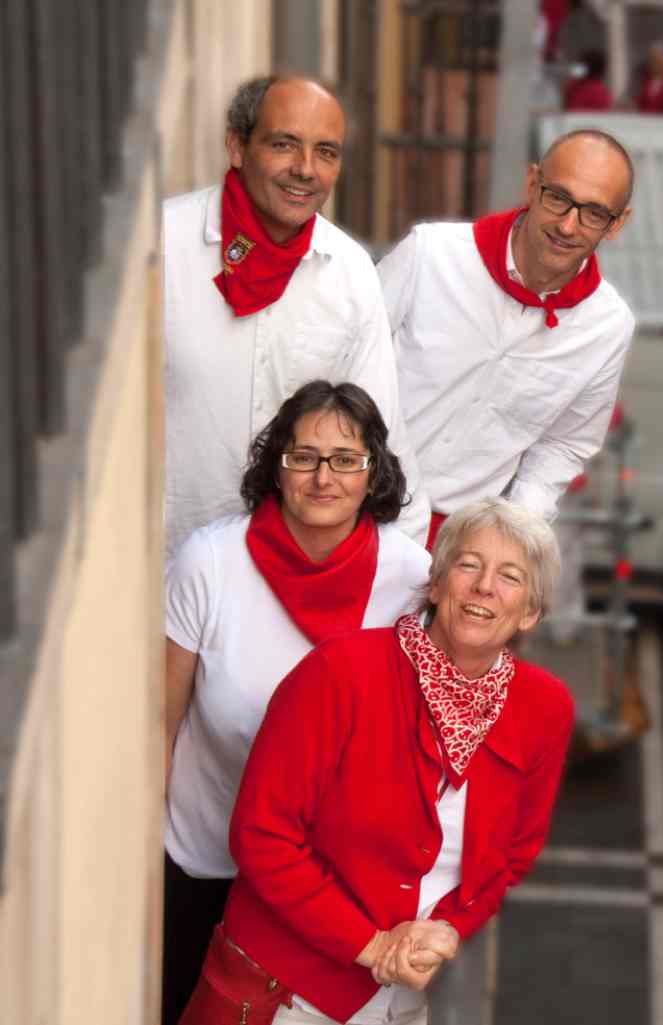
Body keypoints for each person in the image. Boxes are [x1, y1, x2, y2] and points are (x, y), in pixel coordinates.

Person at [185, 499, 571, 1025]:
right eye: (468, 565)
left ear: (530, 612)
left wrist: (447, 930)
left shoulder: (544, 708)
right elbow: (261, 835)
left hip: (401, 1001)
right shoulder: (339, 673)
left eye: (510, 576)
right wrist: (372, 947)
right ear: (436, 585)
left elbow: (512, 857)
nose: (485, 587)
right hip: (284, 991)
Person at [161, 382, 430, 1025]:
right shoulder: (209, 563)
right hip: (203, 859)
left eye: (345, 458)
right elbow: (158, 722)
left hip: (322, 881)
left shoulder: (412, 580)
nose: (323, 476)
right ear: (275, 467)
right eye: (303, 456)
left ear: (375, 474)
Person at [163, 75, 430, 554]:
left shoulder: (349, 272)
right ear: (237, 146)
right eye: (285, 145)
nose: (306, 169)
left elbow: (376, 431)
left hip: (285, 573)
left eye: (326, 152)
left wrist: (401, 572)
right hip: (158, 565)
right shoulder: (162, 244)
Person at [378, 129, 637, 545]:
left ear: (617, 223)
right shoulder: (431, 253)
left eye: (593, 213)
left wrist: (511, 538)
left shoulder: (608, 326)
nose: (568, 226)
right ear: (532, 185)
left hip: (454, 544)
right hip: (351, 504)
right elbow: (347, 360)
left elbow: (565, 444)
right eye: (558, 198)